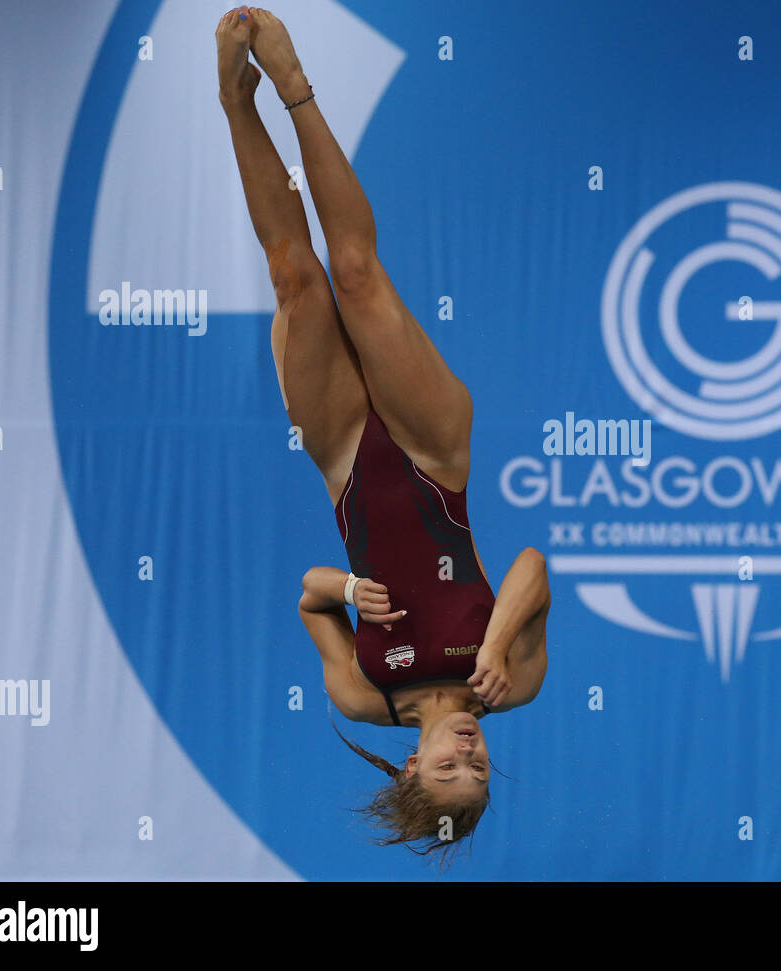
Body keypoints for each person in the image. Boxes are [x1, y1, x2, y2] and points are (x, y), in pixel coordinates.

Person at [215, 6, 550, 864]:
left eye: (448, 769)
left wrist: (343, 584)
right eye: (479, 771)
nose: (469, 755)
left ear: (412, 764)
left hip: (343, 467)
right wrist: (495, 638)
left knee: (296, 281)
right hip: (437, 457)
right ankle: (295, 93)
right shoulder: (518, 684)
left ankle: (234, 104)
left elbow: (307, 595)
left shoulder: (365, 696)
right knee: (357, 275)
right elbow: (533, 569)